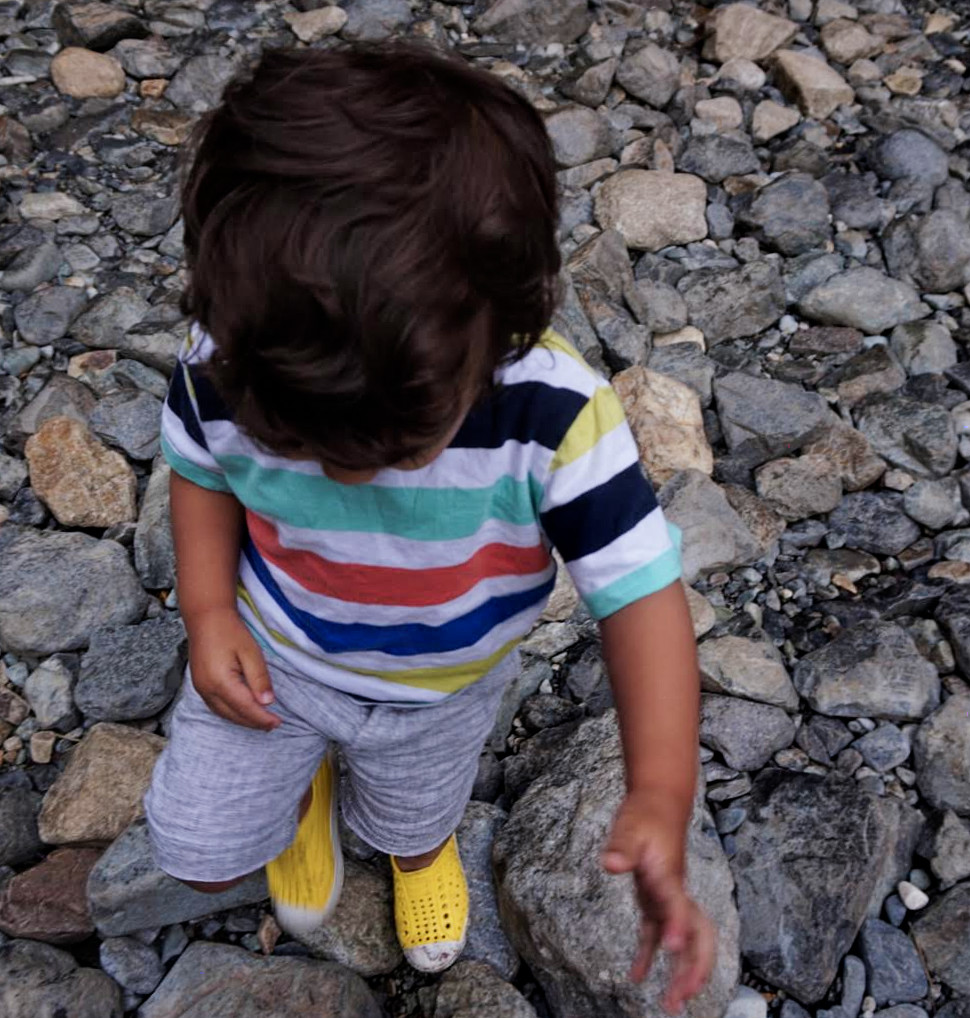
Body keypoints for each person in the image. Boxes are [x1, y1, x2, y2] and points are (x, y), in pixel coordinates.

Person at [143, 43, 714, 1011]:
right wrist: (207, 612)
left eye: (397, 441)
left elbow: (642, 596)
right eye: (303, 439)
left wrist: (660, 790)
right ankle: (304, 789)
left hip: (439, 687)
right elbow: (199, 470)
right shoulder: (238, 356)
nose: (349, 468)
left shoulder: (554, 415)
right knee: (194, 856)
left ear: (502, 328)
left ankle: (418, 844)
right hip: (280, 652)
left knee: (410, 816)